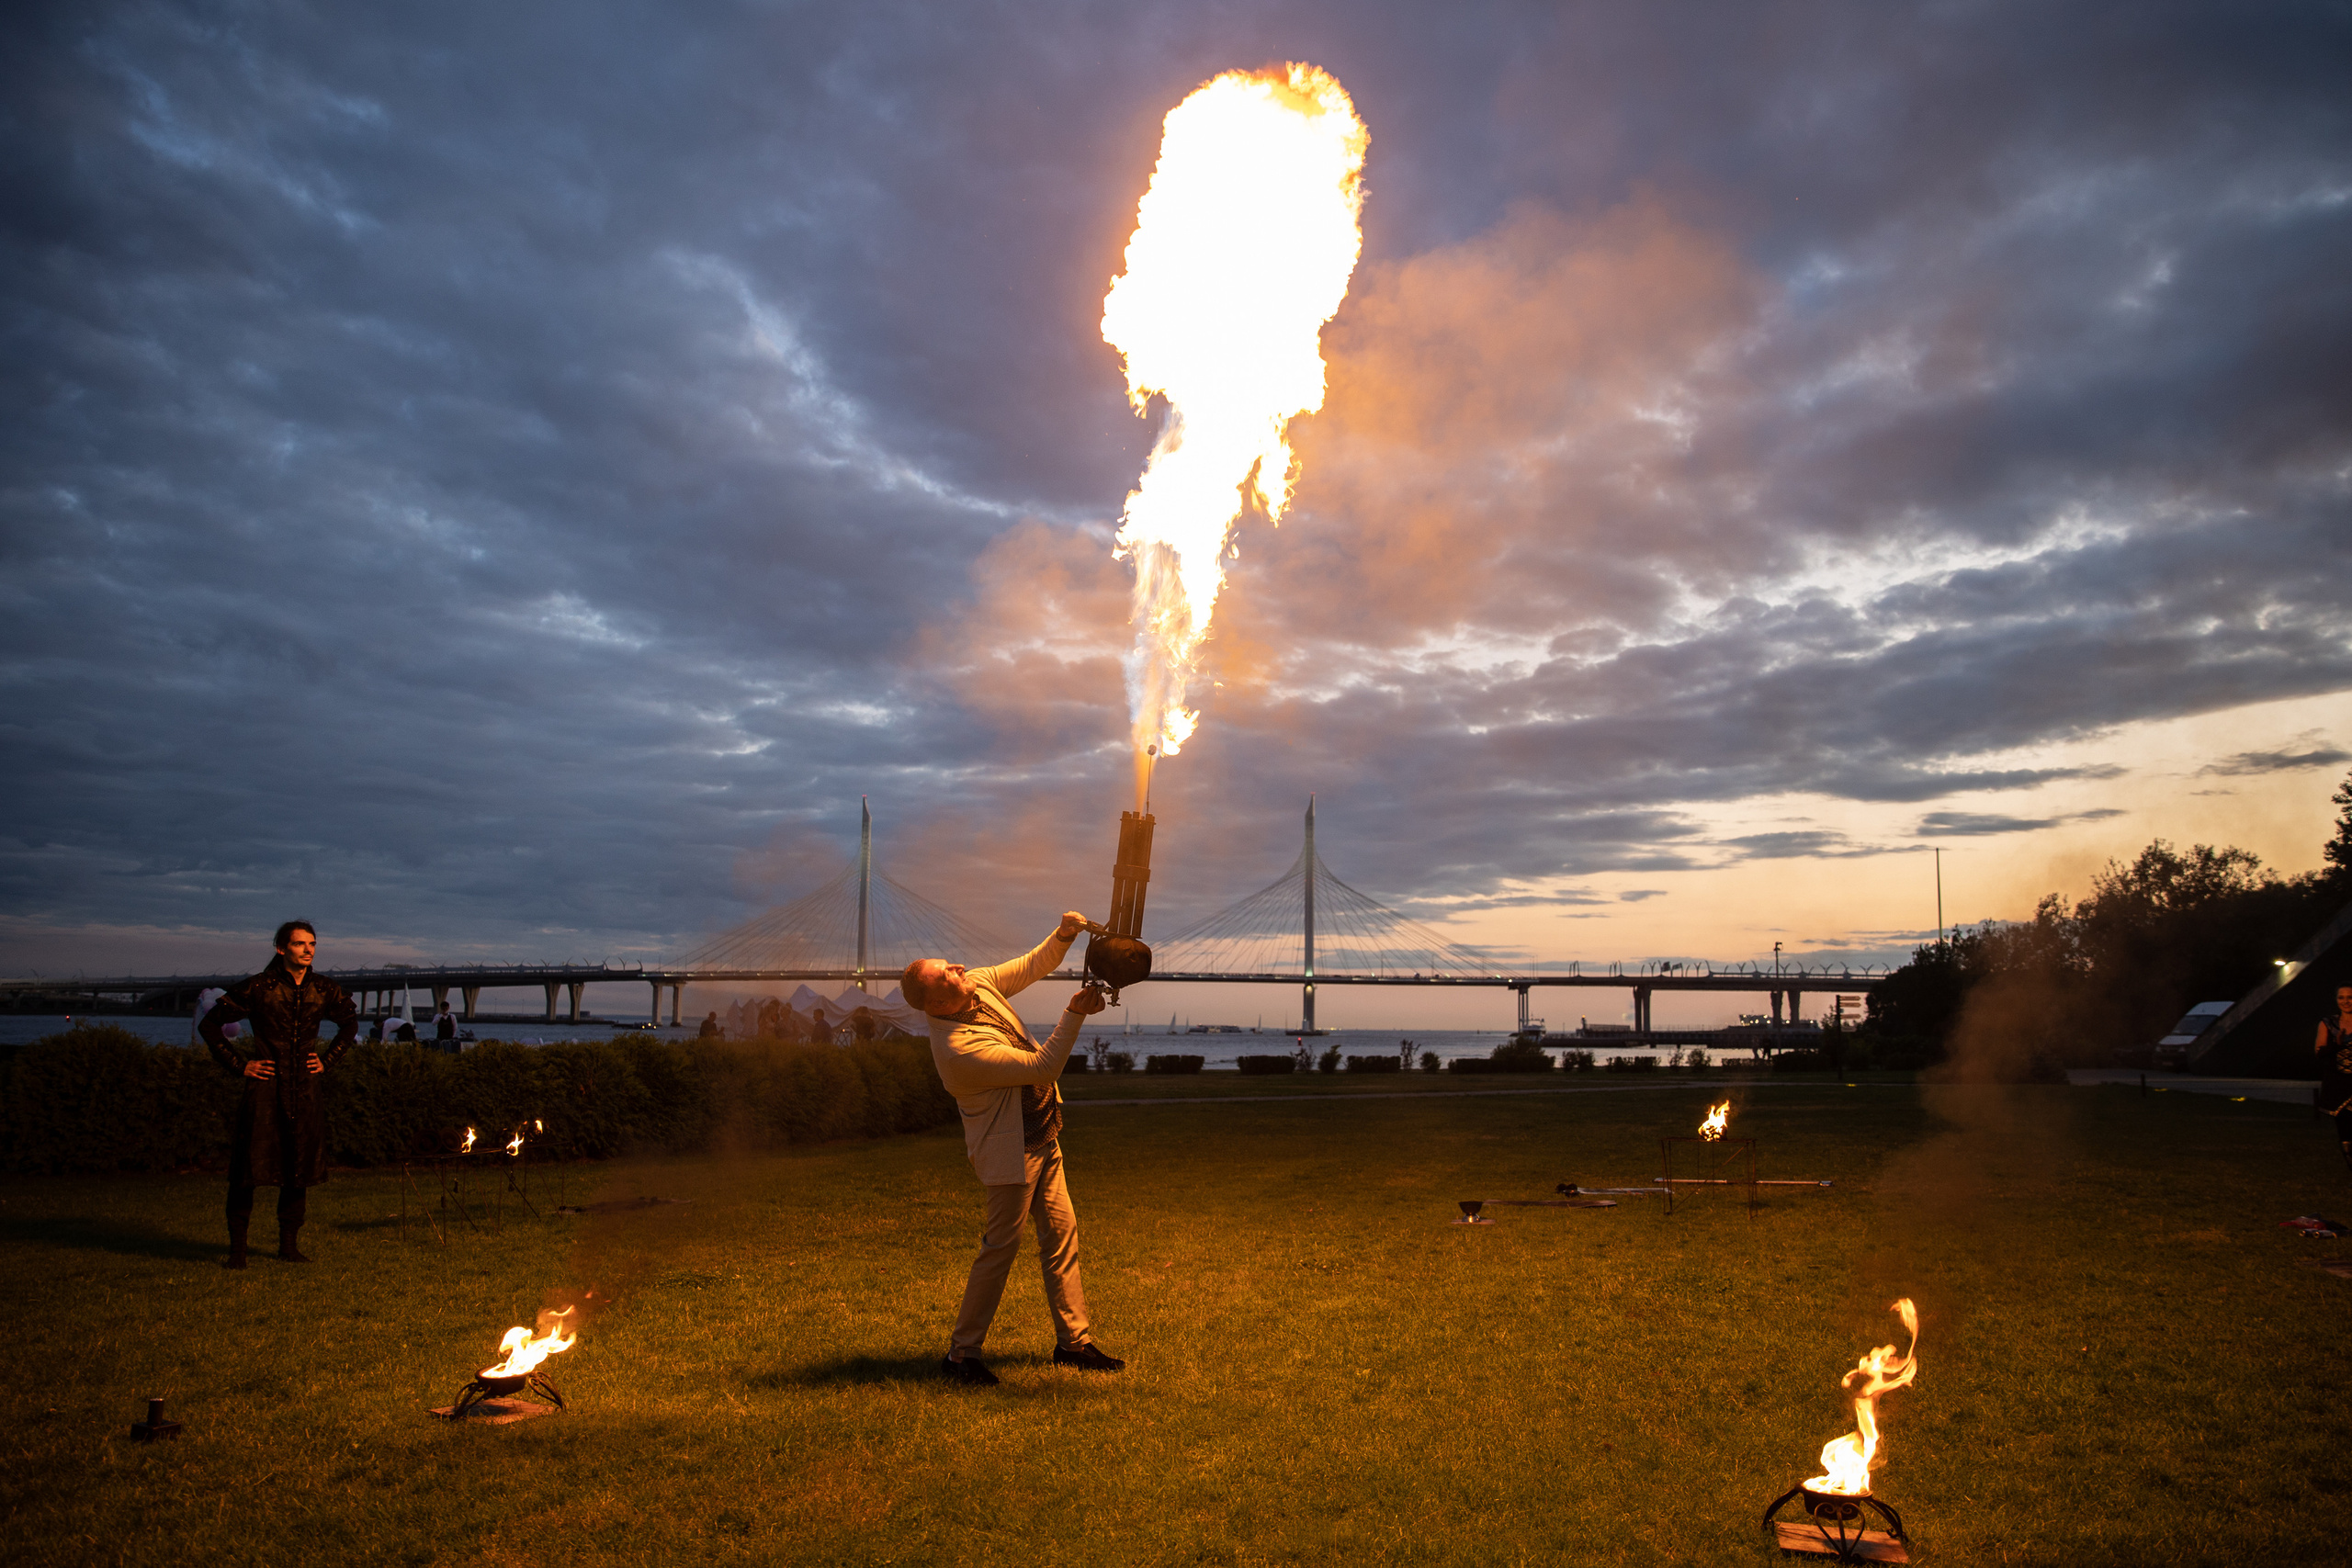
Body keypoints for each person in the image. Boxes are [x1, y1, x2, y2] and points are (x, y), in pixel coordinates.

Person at [903, 911, 1121, 1386]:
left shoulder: (975, 987)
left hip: (1044, 1132)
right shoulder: (959, 1049)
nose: (960, 969)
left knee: (1062, 1238)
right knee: (1000, 1248)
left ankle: (1074, 1344)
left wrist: (1062, 936)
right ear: (937, 1000)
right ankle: (961, 1356)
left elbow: (1025, 968)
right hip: (1011, 1152)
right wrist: (1075, 1013)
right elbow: (1042, 1067)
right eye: (949, 972)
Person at [198, 920, 358, 1269]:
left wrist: (327, 1060)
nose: (308, 950)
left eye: (312, 943)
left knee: (297, 1169)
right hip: (265, 1089)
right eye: (300, 944)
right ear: (281, 948)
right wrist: (241, 1065)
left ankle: (289, 1247)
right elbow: (209, 1025)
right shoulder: (259, 987)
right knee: (247, 1171)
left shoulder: (324, 988)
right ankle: (237, 1252)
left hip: (304, 1090)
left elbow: (349, 1023)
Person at [2317, 985, 2352, 1165]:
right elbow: (2319, 1052)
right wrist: (2336, 1044)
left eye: (2350, 997)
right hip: (2339, 1085)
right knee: (2346, 1129)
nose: (2346, 1001)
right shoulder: (2328, 1024)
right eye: (2341, 997)